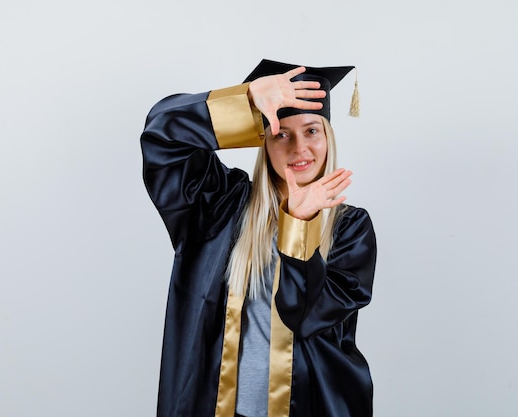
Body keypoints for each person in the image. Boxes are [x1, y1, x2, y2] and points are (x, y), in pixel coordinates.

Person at [141, 58, 377, 417]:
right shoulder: (220, 205)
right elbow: (162, 136)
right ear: (263, 139)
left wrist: (301, 222)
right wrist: (245, 101)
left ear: (328, 136)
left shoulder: (350, 228)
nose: (299, 147)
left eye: (312, 130)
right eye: (281, 132)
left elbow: (306, 317)